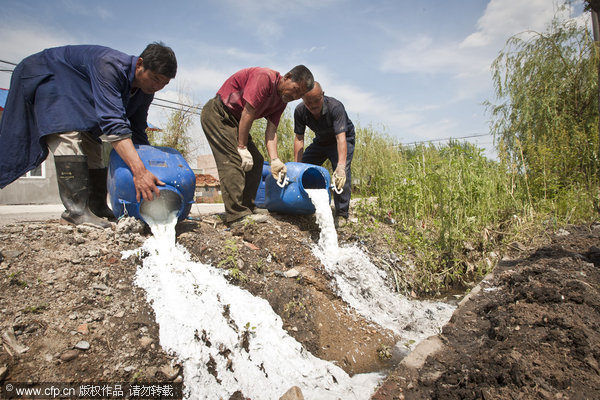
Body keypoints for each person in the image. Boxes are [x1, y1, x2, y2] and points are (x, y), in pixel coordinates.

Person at [0, 42, 177, 228]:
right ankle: (75, 213)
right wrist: (139, 172)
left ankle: (97, 207)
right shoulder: (109, 66)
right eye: (154, 78)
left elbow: (138, 130)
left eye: (163, 83)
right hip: (51, 79)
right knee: (67, 133)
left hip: (78, 98)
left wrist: (150, 165)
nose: (157, 86)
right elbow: (113, 123)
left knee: (93, 145)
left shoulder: (144, 91)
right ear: (140, 64)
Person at [201, 65, 314, 227]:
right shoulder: (265, 78)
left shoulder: (281, 101)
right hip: (219, 114)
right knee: (233, 160)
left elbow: (271, 131)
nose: (294, 96)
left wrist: (275, 160)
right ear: (287, 77)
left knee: (257, 161)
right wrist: (241, 147)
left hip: (236, 121)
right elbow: (248, 112)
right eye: (295, 90)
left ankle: (247, 207)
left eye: (299, 95)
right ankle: (236, 216)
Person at [293, 82, 355, 227]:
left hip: (341, 139)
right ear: (302, 100)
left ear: (323, 94)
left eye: (317, 101)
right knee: (303, 169)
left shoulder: (335, 107)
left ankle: (341, 214)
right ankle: (302, 206)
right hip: (321, 141)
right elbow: (299, 138)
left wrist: (340, 166)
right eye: (309, 102)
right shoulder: (300, 111)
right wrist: (297, 166)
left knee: (342, 173)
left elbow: (341, 138)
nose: (313, 105)